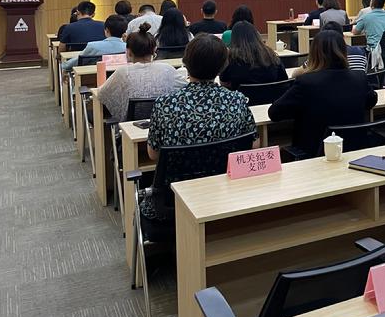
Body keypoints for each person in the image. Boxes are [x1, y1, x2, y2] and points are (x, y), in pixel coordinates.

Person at [143, 35, 257, 219]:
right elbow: (253, 145)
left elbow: (154, 154)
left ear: (186, 63)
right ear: (222, 66)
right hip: (228, 192)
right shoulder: (237, 99)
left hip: (175, 199)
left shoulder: (165, 104)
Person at [268, 29, 376, 157]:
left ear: (314, 53)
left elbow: (274, 113)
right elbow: (371, 101)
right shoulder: (359, 77)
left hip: (314, 154)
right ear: (344, 51)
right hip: (355, 152)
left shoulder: (306, 82)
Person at [97, 21, 188, 121]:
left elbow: (102, 94)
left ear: (128, 51)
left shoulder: (123, 72)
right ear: (154, 50)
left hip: (131, 129)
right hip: (163, 125)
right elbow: (186, 87)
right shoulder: (167, 69)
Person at [218, 20, 287, 89]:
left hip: (242, 98)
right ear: (256, 35)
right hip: (273, 98)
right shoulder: (270, 54)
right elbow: (284, 80)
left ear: (233, 38)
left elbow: (223, 82)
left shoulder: (231, 58)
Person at [63, 14, 128, 69]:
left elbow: (72, 63)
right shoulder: (129, 48)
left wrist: (63, 65)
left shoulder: (93, 46)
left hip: (94, 81)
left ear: (106, 30)